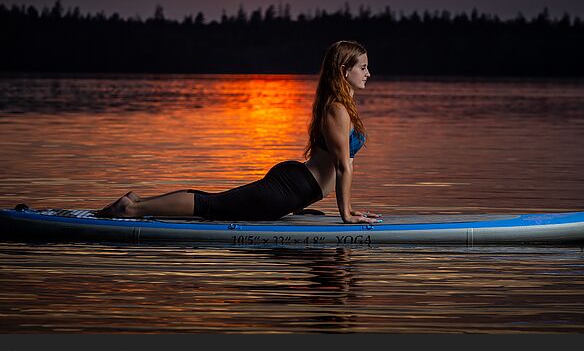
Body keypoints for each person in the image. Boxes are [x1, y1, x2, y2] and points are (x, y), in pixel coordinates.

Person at [96, 40, 382, 224]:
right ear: (345, 70)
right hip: (290, 189)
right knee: (212, 206)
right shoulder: (337, 109)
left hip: (296, 192)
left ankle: (139, 202)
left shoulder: (343, 107)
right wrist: (346, 215)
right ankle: (131, 209)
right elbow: (342, 166)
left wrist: (342, 209)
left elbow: (343, 165)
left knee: (216, 203)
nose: (368, 73)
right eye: (363, 67)